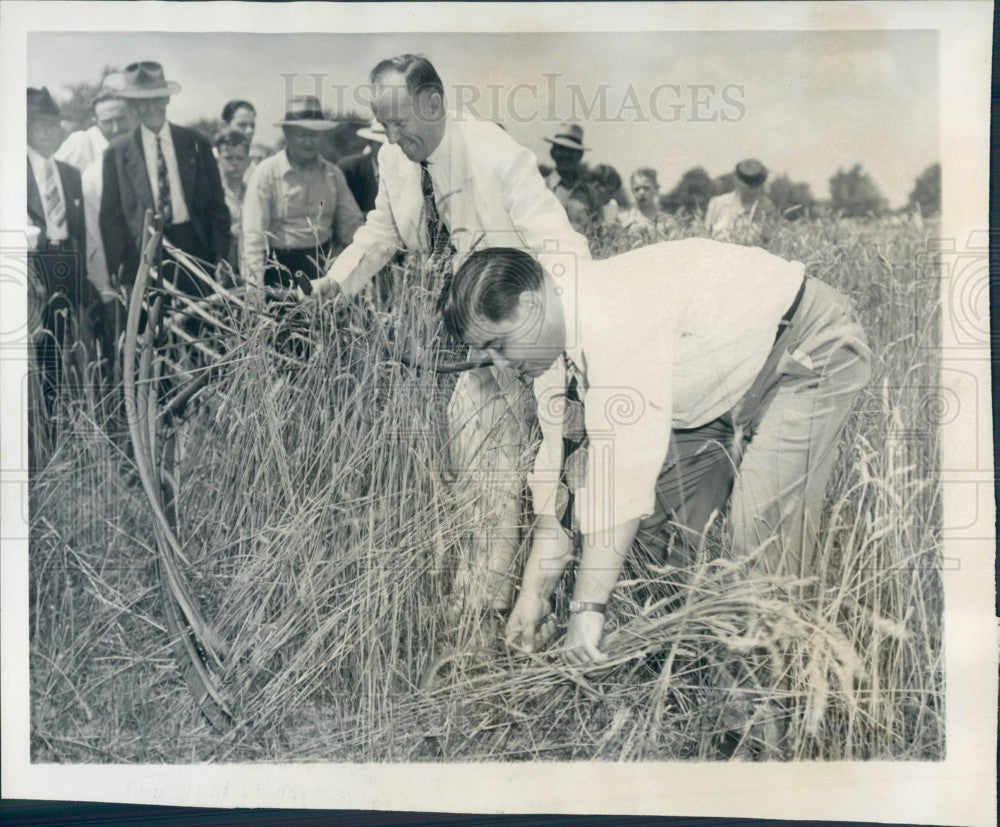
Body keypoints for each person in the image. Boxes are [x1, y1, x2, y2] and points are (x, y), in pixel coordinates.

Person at [439, 240, 872, 663]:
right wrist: (534, 596)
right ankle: (680, 664)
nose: (497, 364)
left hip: (804, 346)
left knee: (758, 529)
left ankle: (770, 700)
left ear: (532, 306)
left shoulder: (610, 310)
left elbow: (628, 465)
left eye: (498, 344)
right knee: (653, 537)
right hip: (714, 392)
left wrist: (588, 611)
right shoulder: (550, 357)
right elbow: (564, 479)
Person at [309, 53, 591, 611]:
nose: (391, 136)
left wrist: (564, 341)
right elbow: (381, 232)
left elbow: (561, 246)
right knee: (481, 468)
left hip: (536, 339)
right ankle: (483, 605)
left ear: (434, 103)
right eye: (382, 125)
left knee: (559, 479)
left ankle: (556, 607)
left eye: (400, 122)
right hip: (477, 348)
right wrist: (333, 285)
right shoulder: (394, 160)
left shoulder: (494, 153)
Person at [100, 61, 230, 297]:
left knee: (198, 324)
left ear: (167, 99)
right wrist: (120, 269)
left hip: (195, 248)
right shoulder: (117, 152)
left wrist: (221, 254)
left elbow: (217, 206)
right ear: (133, 104)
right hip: (144, 255)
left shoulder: (196, 143)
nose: (150, 107)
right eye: (142, 100)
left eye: (157, 98)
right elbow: (111, 218)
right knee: (151, 328)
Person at [242, 95, 364, 292]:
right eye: (301, 134)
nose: (308, 141)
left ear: (323, 135)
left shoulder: (333, 174)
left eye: (314, 134)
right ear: (287, 133)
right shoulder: (265, 174)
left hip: (323, 270)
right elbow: (253, 237)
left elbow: (352, 225)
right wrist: (254, 288)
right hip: (278, 273)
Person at [26, 88, 100, 415]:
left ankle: (57, 422)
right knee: (32, 353)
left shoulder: (69, 174)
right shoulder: (14, 171)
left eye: (55, 125)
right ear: (26, 127)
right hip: (30, 268)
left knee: (61, 352)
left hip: (65, 265)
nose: (50, 131)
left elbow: (81, 233)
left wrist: (82, 280)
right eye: (41, 125)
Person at [55, 78, 130, 173]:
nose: (116, 129)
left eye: (120, 119)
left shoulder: (135, 144)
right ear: (95, 120)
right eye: (107, 122)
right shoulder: (81, 142)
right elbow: (54, 178)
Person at [705, 158, 779, 242]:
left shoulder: (767, 207)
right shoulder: (718, 203)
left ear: (761, 184)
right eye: (746, 187)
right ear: (736, 181)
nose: (751, 191)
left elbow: (768, 242)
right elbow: (706, 236)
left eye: (754, 187)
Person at [213, 127, 251, 272]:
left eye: (240, 158)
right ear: (219, 159)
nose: (234, 163)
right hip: (220, 264)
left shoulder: (253, 191)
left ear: (248, 160)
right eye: (229, 158)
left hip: (248, 265)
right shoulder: (213, 194)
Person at [541, 123, 592, 231]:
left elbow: (601, 232)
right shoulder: (539, 187)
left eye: (571, 150)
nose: (566, 155)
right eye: (561, 149)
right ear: (552, 153)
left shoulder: (590, 193)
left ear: (580, 155)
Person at [337, 119, 387, 213]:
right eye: (380, 144)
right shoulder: (349, 169)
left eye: (391, 145)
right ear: (370, 143)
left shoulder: (404, 171)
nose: (385, 149)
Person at [618, 167, 672, 243]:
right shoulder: (625, 219)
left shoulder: (667, 221)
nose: (641, 192)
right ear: (632, 191)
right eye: (637, 189)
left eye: (646, 188)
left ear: (656, 188)